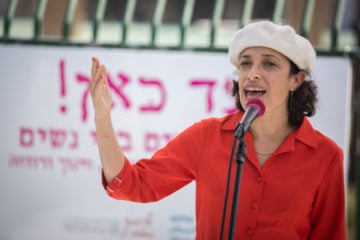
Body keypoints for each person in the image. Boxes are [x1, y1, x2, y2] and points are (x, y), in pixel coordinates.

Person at [89, 20, 347, 240]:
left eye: (269, 64)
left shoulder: (325, 156)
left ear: (296, 79)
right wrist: (102, 118)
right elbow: (133, 184)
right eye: (245, 64)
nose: (252, 74)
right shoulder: (206, 136)